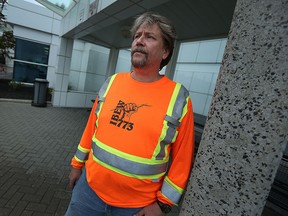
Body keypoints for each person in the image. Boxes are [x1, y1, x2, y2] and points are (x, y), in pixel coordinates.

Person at [65, 11, 194, 216]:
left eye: (149, 37)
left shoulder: (178, 98)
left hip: (137, 207)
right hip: (88, 193)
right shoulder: (112, 82)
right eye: (137, 36)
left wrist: (163, 204)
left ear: (165, 52)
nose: (139, 41)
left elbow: (182, 159)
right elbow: (91, 129)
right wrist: (76, 165)